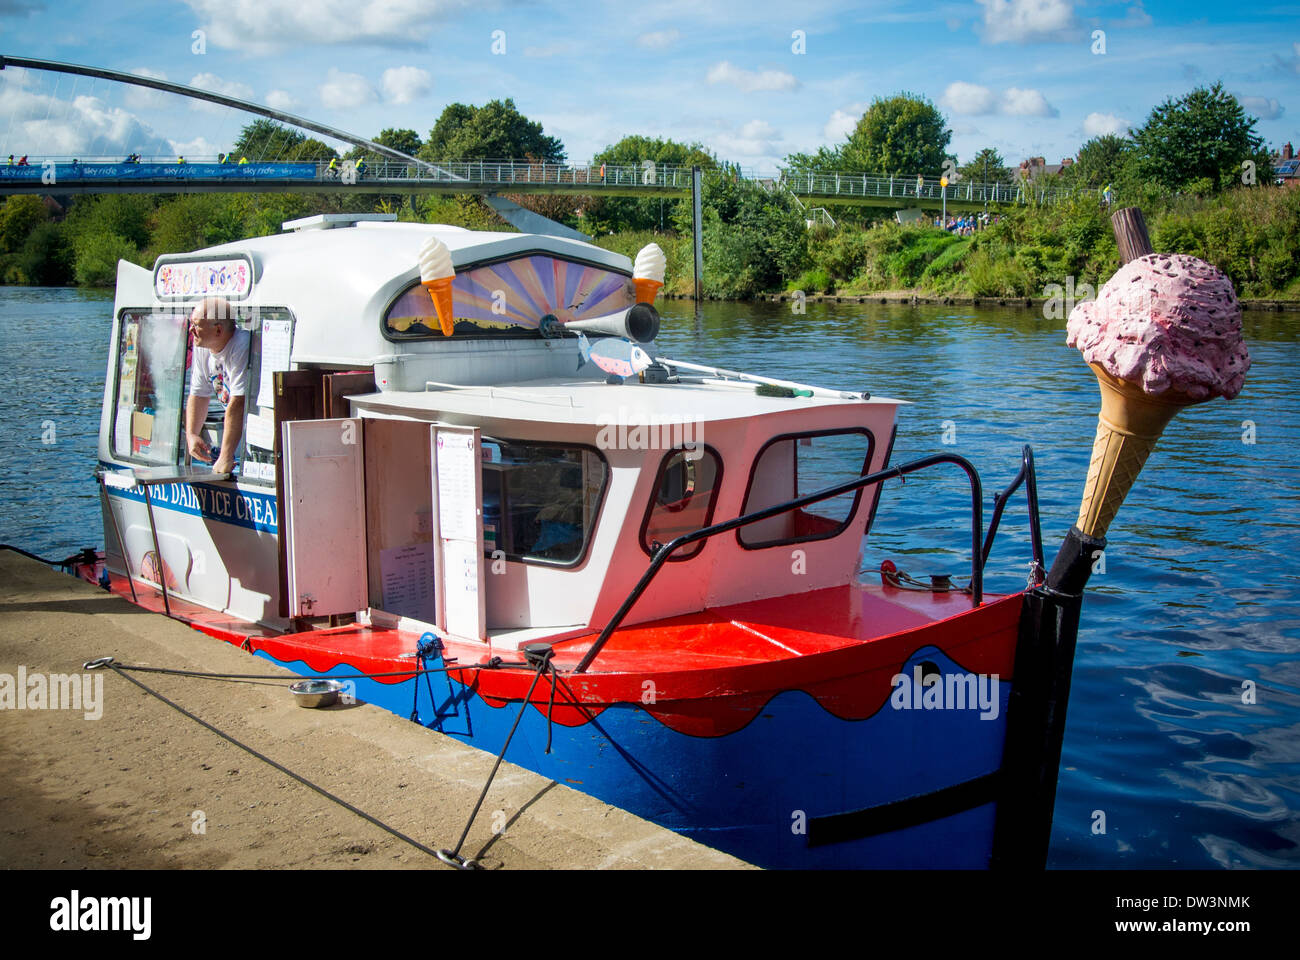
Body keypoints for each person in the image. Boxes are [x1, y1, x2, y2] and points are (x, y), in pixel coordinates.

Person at [185, 297, 249, 478]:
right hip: (237, 435)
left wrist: (226, 455)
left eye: (196, 325)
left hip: (257, 432)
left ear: (218, 330)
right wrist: (192, 435)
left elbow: (238, 401)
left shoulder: (242, 344)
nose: (191, 330)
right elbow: (198, 394)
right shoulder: (203, 345)